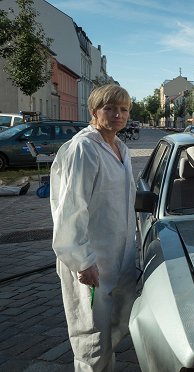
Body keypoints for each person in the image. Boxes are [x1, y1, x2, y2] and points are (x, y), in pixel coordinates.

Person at [50, 84, 137, 371]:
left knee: (112, 328)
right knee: (91, 337)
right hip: (91, 259)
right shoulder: (84, 147)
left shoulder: (120, 147)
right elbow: (72, 207)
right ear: (94, 111)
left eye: (123, 109)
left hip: (117, 256)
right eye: (109, 108)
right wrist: (82, 261)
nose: (117, 115)